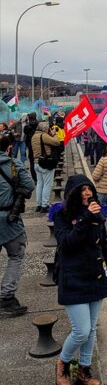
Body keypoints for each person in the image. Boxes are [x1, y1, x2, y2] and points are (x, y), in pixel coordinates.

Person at [53, 175, 107, 385]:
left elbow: (103, 248)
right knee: (81, 330)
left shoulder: (97, 215)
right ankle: (62, 363)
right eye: (82, 190)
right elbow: (67, 243)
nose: (87, 193)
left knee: (92, 329)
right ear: (72, 194)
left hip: (96, 277)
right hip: (73, 278)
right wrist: (85, 220)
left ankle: (84, 369)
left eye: (89, 189)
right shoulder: (61, 215)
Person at [0, 135, 34, 318]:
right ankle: (6, 297)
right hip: (9, 220)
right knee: (15, 256)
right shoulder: (13, 164)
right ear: (9, 148)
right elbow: (30, 184)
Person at [31, 121, 60, 213]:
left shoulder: (34, 136)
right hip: (45, 163)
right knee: (47, 184)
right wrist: (54, 134)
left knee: (40, 184)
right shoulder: (43, 136)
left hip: (36, 162)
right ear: (44, 129)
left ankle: (38, 204)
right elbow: (56, 142)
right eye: (47, 128)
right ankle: (45, 205)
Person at [23, 112, 39, 181]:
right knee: (39, 161)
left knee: (32, 162)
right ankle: (39, 177)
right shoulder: (38, 125)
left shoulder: (27, 126)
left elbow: (25, 133)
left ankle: (34, 179)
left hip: (30, 145)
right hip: (38, 144)